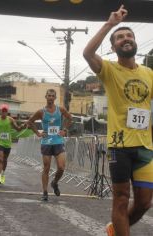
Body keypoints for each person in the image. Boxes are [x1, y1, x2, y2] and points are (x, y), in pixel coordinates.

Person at [83, 5, 153, 236]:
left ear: (134, 43)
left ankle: (114, 229)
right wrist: (109, 24)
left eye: (129, 36)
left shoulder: (149, 74)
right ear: (113, 48)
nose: (126, 39)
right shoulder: (109, 70)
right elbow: (87, 53)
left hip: (145, 147)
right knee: (121, 199)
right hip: (119, 146)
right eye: (120, 37)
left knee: (144, 203)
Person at [26, 89, 72, 201]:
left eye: (53, 96)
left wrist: (64, 130)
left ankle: (55, 183)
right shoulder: (41, 112)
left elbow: (70, 118)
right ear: (46, 97)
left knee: (61, 167)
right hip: (46, 142)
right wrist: (38, 133)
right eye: (49, 95)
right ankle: (45, 192)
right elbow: (30, 122)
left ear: (55, 98)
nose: (50, 97)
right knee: (46, 168)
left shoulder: (60, 109)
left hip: (58, 141)